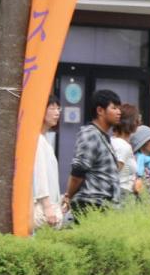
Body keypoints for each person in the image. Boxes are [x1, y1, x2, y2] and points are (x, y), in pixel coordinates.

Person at [64, 89, 122, 217]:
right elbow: (78, 171)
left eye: (119, 108)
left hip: (104, 206)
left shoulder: (103, 136)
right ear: (100, 110)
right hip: (92, 205)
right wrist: (69, 196)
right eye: (114, 108)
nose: (119, 112)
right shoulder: (90, 134)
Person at [32, 97, 63, 229]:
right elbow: (40, 175)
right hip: (43, 208)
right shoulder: (38, 140)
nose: (57, 112)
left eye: (58, 108)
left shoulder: (44, 140)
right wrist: (47, 206)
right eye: (52, 108)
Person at [111, 104, 140, 201]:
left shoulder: (112, 141)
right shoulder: (123, 146)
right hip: (122, 195)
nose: (138, 122)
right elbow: (112, 173)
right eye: (137, 119)